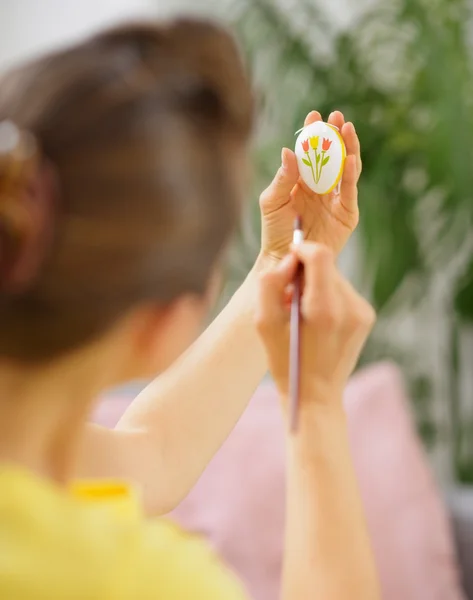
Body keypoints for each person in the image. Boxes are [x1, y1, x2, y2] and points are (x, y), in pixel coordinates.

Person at [0, 18, 379, 600]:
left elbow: (152, 453)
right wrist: (319, 406)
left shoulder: (35, 460)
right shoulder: (135, 581)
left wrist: (274, 268)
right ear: (168, 322)